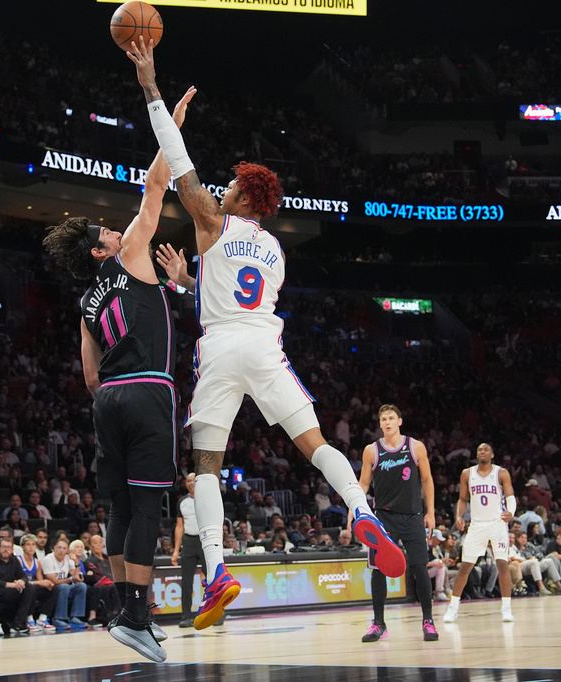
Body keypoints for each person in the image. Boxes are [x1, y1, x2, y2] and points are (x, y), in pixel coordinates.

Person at [127, 37, 405, 634]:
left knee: (205, 466)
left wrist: (152, 88)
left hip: (222, 349)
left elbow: (179, 164)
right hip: (265, 346)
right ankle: (361, 510)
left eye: (231, 187)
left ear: (245, 198)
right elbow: (237, 293)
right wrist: (187, 284)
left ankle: (219, 570)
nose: (221, 190)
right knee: (316, 445)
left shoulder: (213, 218)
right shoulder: (276, 250)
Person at [41, 87, 196, 664]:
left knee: (120, 509)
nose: (115, 229)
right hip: (148, 389)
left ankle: (122, 613)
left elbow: (88, 377)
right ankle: (136, 617)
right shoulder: (132, 252)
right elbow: (156, 186)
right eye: (107, 232)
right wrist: (171, 127)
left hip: (107, 398)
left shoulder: (84, 304)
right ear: (104, 251)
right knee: (148, 510)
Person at [357, 405, 438, 643]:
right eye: (383, 419)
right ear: (380, 425)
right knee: (378, 569)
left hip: (413, 515)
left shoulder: (416, 447)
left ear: (400, 421)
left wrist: (430, 512)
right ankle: (379, 623)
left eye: (391, 417)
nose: (387, 421)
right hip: (383, 517)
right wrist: (356, 507)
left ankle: (428, 621)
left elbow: (427, 479)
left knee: (420, 567)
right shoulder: (371, 451)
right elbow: (363, 484)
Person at [443, 442, 516, 623]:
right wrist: (459, 516)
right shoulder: (467, 474)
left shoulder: (501, 473)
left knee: (502, 564)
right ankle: (453, 607)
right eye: (479, 450)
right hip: (476, 525)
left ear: (492, 455)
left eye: (485, 450)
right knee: (465, 566)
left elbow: (510, 496)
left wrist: (511, 512)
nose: (482, 452)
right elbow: (462, 499)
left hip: (497, 523)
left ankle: (506, 608)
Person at [0, 538, 35, 636]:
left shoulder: (14, 560)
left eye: (8, 547)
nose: (6, 550)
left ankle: (19, 623)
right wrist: (6, 584)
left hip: (10, 591)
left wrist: (21, 581)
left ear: (12, 550)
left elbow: (24, 576)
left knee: (29, 588)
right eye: (3, 547)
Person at [171, 472, 202, 628]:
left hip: (205, 540)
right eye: (188, 481)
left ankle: (218, 613)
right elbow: (179, 527)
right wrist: (176, 550)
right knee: (186, 581)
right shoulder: (182, 502)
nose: (191, 483)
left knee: (212, 580)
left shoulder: (207, 499)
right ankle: (186, 616)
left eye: (193, 480)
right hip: (189, 541)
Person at [40, 538, 87, 632]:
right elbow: (53, 581)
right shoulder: (48, 559)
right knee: (64, 586)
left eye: (64, 548)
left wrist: (76, 563)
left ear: (67, 550)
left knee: (81, 586)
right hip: (51, 589)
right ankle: (58, 619)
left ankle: (75, 617)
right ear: (54, 548)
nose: (61, 550)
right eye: (59, 547)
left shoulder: (67, 559)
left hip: (63, 588)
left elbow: (77, 577)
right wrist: (70, 579)